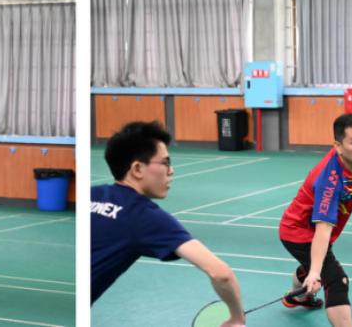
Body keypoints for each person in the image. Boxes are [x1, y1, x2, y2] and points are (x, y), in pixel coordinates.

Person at [91, 121, 245, 327]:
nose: (171, 171)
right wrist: (236, 318)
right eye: (165, 163)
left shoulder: (92, 194)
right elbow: (221, 274)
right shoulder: (144, 216)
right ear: (137, 168)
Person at [279, 114, 352, 327]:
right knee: (337, 280)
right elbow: (322, 231)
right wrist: (315, 273)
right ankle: (307, 283)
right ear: (338, 146)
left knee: (317, 266)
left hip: (306, 228)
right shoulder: (330, 181)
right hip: (299, 233)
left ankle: (299, 297)